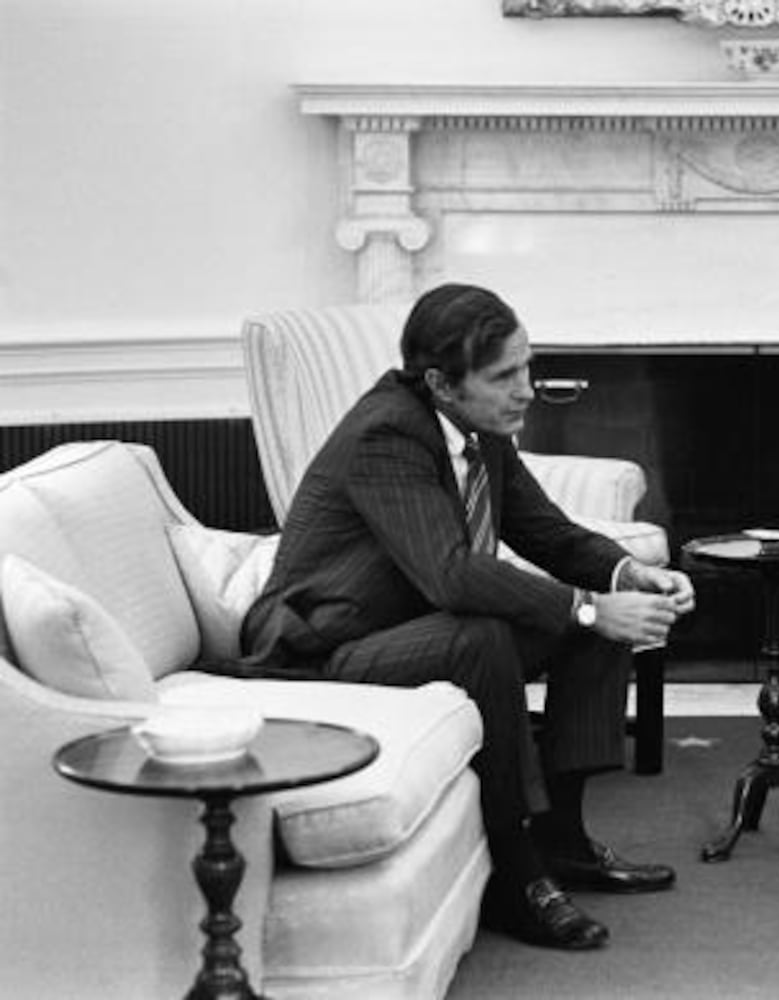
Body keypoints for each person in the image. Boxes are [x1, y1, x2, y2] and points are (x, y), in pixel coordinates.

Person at [238, 283, 695, 950]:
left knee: (593, 630)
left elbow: (551, 535)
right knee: (508, 630)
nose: (526, 389)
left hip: (408, 628)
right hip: (323, 652)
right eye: (504, 375)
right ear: (440, 384)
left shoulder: (479, 430)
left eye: (527, 367)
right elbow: (449, 573)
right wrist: (591, 607)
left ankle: (562, 840)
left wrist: (627, 577)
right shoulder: (384, 435)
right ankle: (514, 877)